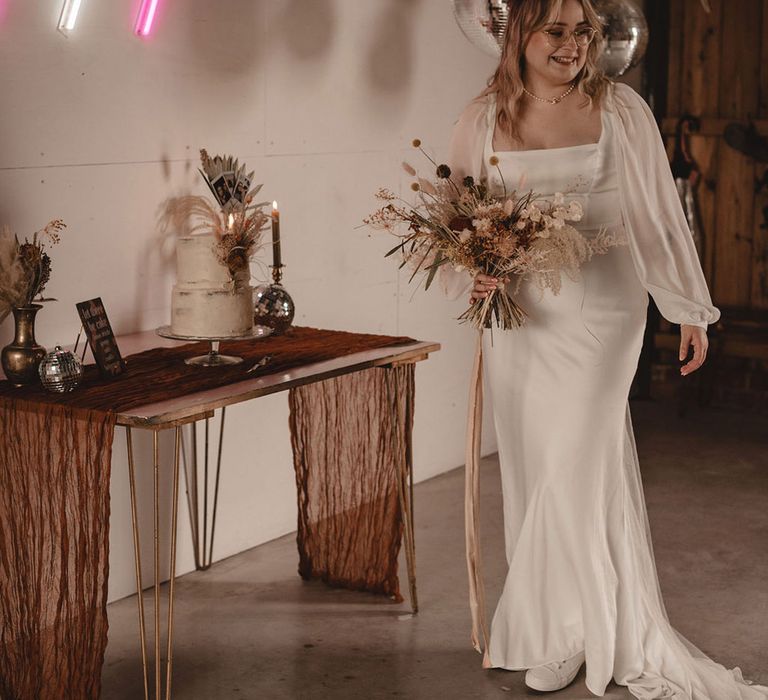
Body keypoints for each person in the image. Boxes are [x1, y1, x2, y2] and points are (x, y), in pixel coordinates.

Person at [441, 1, 768, 698]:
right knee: (535, 468)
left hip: (603, 311)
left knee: (571, 465)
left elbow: (655, 212)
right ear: (518, 34)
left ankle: (577, 634)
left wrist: (687, 307)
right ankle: (559, 625)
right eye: (555, 31)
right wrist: (476, 266)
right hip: (522, 315)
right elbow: (456, 213)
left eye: (583, 31)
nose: (572, 45)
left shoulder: (621, 109)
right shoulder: (482, 116)